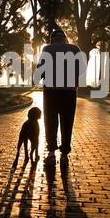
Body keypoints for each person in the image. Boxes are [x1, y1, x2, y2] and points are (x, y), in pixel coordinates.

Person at [35, 29, 87, 166]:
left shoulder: (47, 49)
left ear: (52, 39)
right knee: (67, 122)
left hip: (51, 91)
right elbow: (82, 68)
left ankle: (51, 153)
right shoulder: (74, 49)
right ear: (65, 38)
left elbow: (40, 70)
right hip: (69, 91)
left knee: (50, 121)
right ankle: (64, 155)